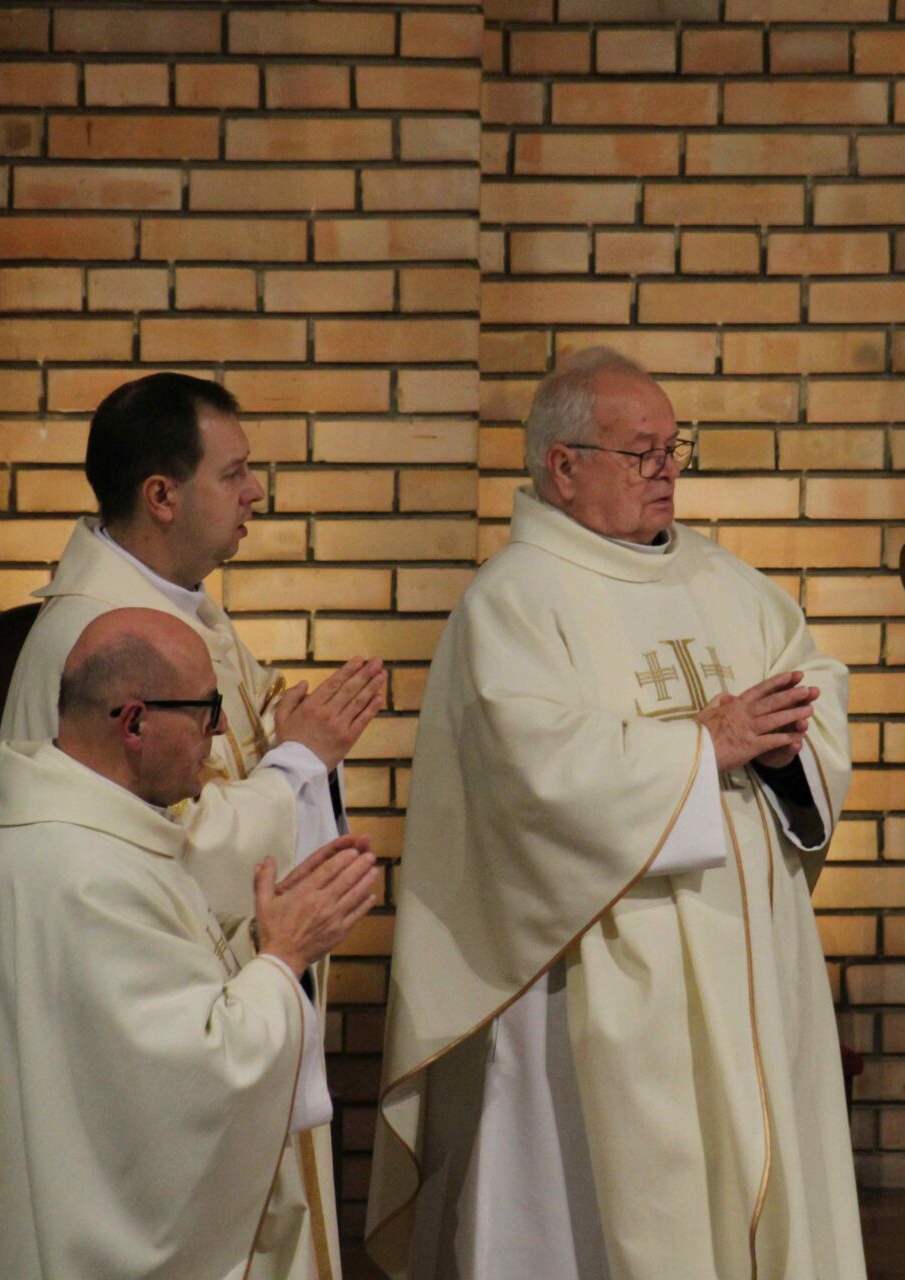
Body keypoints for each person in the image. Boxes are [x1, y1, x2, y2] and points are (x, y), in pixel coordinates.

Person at [366, 347, 866, 1279]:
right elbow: (531, 768)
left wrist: (789, 739)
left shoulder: (722, 580)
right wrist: (701, 748)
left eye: (675, 448)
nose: (667, 470)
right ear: (564, 468)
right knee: (604, 1214)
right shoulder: (512, 602)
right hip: (592, 966)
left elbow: (813, 681)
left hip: (746, 949)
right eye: (642, 453)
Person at [0, 373, 384, 1269]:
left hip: (234, 998)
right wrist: (298, 765)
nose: (257, 493)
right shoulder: (97, 637)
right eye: (235, 473)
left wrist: (295, 748)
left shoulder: (187, 614)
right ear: (162, 496)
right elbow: (161, 852)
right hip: (162, 1031)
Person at [0, 609, 379, 1279]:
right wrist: (285, 956)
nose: (218, 734)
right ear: (134, 723)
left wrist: (258, 942)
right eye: (206, 711)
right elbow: (190, 1086)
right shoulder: (86, 875)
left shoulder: (48, 832)